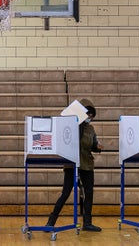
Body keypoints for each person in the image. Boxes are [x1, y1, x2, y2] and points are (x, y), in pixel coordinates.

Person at [46, 98, 104, 232]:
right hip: (71, 164)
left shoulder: (91, 129)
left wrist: (98, 147)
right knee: (65, 193)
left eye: (92, 115)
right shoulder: (71, 127)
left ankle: (87, 223)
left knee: (88, 194)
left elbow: (93, 144)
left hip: (87, 165)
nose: (90, 117)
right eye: (88, 114)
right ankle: (51, 221)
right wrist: (78, 124)